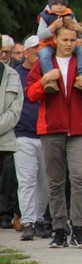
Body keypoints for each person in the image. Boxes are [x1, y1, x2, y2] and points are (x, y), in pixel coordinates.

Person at [26, 17, 82, 248]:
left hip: (79, 128)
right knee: (55, 182)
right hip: (51, 128)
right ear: (55, 40)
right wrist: (45, 81)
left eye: (72, 40)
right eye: (65, 40)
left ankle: (78, 228)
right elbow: (30, 94)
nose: (69, 44)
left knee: (79, 177)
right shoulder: (43, 63)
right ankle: (59, 229)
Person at [13, 36, 51, 241]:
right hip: (23, 133)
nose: (39, 54)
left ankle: (38, 219)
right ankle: (28, 221)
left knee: (44, 181)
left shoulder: (49, 73)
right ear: (25, 52)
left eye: (42, 51)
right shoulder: (15, 74)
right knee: (26, 180)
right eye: (36, 51)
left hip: (46, 133)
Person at [36, 0, 82, 94]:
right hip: (49, 45)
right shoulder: (45, 16)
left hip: (68, 45)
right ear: (50, 4)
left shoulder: (70, 15)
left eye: (62, 4)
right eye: (56, 4)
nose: (59, 7)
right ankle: (51, 80)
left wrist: (79, 29)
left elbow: (81, 35)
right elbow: (39, 36)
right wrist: (52, 28)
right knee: (43, 54)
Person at [0, 44, 22, 234]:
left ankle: (5, 215)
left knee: (7, 178)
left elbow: (16, 109)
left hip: (6, 138)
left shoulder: (13, 75)